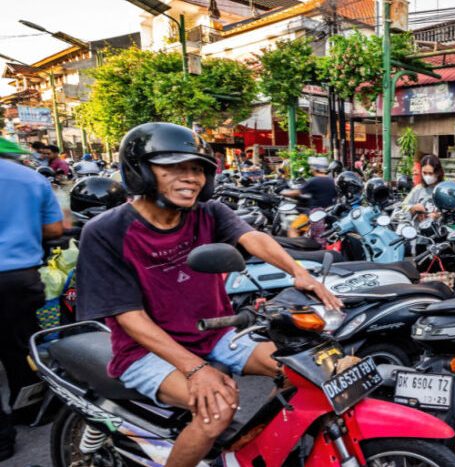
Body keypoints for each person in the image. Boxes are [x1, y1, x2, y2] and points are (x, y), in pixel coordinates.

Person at [76, 123, 342, 467]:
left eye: (197, 169)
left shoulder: (209, 213)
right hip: (142, 352)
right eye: (173, 167)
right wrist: (195, 368)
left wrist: (300, 273)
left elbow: (253, 239)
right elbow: (129, 317)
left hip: (214, 335)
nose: (190, 178)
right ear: (140, 172)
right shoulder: (107, 231)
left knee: (307, 370)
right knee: (218, 406)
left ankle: (247, 451)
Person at [0, 137, 64, 461]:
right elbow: (55, 228)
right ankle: (28, 411)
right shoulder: (31, 178)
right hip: (20, 278)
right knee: (22, 349)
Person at [281, 157, 337, 238]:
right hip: (328, 213)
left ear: (315, 168)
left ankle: (297, 248)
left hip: (313, 213)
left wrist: (283, 193)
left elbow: (297, 192)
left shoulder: (314, 180)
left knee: (292, 229)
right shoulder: (332, 181)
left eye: (312, 167)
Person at [402, 154, 444, 220]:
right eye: (424, 173)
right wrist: (413, 208)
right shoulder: (418, 189)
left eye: (430, 173)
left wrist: (437, 216)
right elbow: (404, 205)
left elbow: (454, 212)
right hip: (418, 228)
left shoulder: (445, 189)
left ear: (438, 172)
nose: (427, 176)